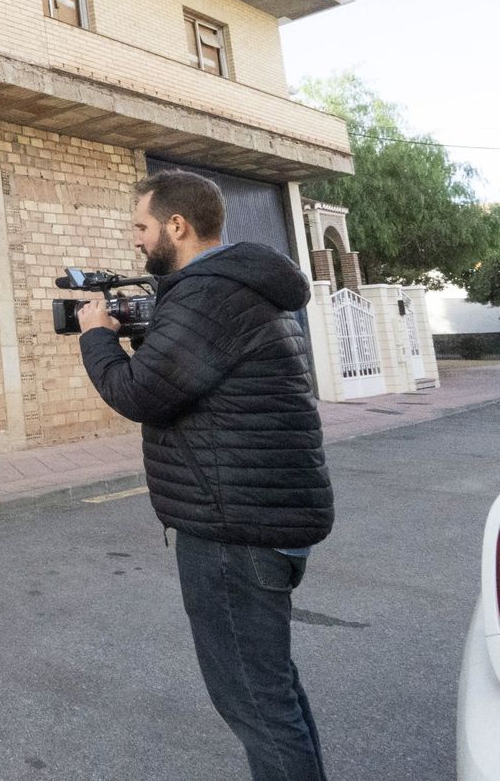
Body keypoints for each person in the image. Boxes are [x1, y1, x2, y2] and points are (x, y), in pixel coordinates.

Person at [77, 169, 333, 781]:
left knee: (255, 703)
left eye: (141, 226)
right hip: (262, 516)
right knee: (273, 692)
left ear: (176, 225)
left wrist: (96, 337)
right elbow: (190, 377)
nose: (136, 241)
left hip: (232, 528)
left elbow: (140, 393)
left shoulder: (205, 293)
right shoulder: (241, 286)